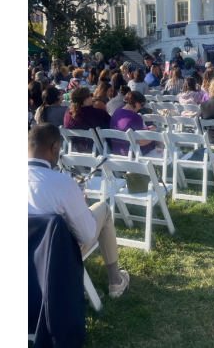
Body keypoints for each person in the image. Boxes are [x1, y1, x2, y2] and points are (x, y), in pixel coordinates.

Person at [26, 123, 130, 298]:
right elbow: (87, 236)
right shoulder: (63, 184)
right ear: (55, 147)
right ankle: (116, 282)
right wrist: (82, 209)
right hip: (55, 257)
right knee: (103, 209)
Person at [62, 86, 112, 153]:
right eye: (90, 95)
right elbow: (112, 127)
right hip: (98, 151)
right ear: (86, 100)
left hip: (76, 152)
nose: (92, 97)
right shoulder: (98, 113)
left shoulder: (68, 115)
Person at [109, 91, 157, 157]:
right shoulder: (135, 117)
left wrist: (148, 129)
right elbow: (141, 142)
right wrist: (154, 135)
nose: (140, 108)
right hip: (132, 152)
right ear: (136, 103)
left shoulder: (117, 110)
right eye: (141, 105)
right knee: (158, 139)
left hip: (117, 150)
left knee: (151, 129)